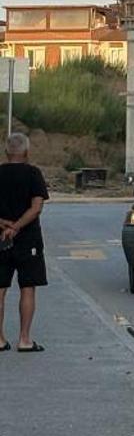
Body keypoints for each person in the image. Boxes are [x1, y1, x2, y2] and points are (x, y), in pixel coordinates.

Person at [0, 133, 49, 353]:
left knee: (0, 289)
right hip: (28, 240)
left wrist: (5, 225)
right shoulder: (33, 174)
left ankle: (0, 339)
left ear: (6, 152)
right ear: (27, 152)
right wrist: (17, 227)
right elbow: (36, 207)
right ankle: (25, 339)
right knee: (27, 288)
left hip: (1, 239)